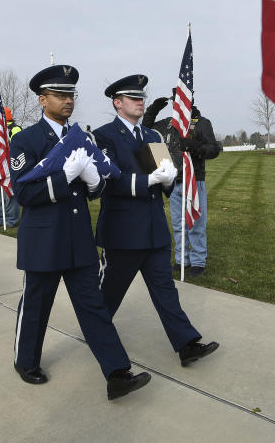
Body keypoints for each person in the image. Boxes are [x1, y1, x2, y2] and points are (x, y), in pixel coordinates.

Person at [9, 64, 150, 400]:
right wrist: (65, 175)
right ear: (42, 100)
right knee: (36, 305)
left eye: (71, 94)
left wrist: (93, 183)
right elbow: (24, 193)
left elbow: (93, 188)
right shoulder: (25, 140)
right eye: (60, 95)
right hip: (44, 240)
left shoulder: (83, 138)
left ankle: (117, 373)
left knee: (94, 308)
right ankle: (25, 360)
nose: (68, 100)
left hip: (77, 240)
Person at [93, 75, 219, 367]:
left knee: (166, 293)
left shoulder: (152, 137)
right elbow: (109, 180)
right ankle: (96, 334)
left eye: (142, 97)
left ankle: (186, 343)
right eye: (133, 98)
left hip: (153, 230)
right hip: (123, 233)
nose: (140, 101)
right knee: (107, 296)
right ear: (117, 103)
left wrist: (168, 180)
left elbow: (163, 180)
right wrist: (147, 179)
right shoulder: (104, 136)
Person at [145, 97, 221, 275]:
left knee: (196, 224)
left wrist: (194, 146)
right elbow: (146, 133)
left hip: (194, 180)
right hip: (173, 182)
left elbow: (214, 150)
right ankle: (182, 260)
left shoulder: (201, 123)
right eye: (175, 101)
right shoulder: (167, 124)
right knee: (179, 225)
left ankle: (198, 262)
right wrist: (152, 111)